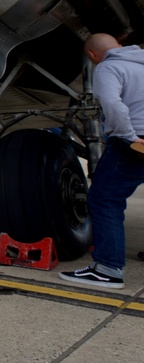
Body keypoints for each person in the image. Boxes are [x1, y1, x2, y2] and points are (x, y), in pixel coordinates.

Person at [59, 33, 144, 290]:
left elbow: (112, 104)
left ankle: (108, 269)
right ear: (119, 44)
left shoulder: (109, 66)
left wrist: (129, 137)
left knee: (105, 200)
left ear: (92, 56)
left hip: (135, 141)